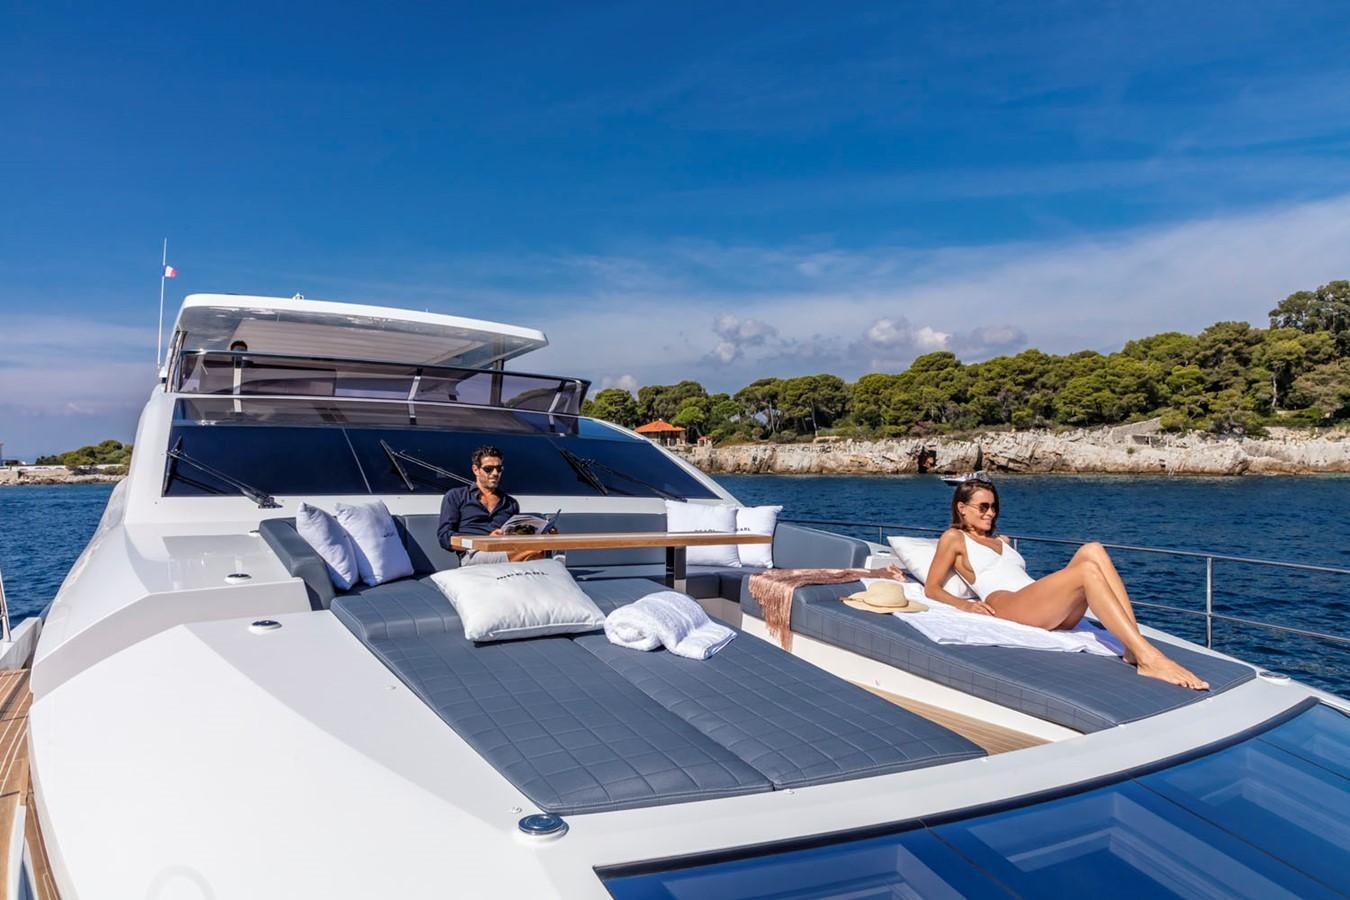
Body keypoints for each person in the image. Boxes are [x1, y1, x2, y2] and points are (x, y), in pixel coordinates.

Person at [925, 479, 1209, 690]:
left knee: (1093, 549)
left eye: (994, 507)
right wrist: (965, 605)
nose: (990, 513)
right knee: (1086, 570)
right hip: (1007, 604)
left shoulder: (1003, 541)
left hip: (1036, 604)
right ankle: (1148, 658)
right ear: (962, 508)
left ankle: (1133, 647)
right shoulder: (953, 538)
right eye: (983, 507)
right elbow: (932, 588)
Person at [437, 445, 547, 565]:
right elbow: (445, 537)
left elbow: (515, 535)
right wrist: (486, 540)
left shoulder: (510, 503)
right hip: (473, 554)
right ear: (476, 470)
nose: (495, 473)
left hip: (507, 551)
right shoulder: (456, 496)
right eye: (489, 469)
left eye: (499, 469)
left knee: (539, 548)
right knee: (533, 551)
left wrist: (542, 532)